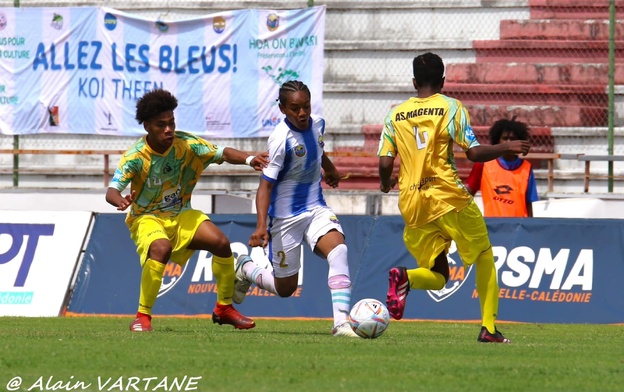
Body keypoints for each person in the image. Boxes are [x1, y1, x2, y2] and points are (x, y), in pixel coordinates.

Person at [377, 53, 531, 343]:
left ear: (413, 82)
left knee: (438, 273)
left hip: (412, 203)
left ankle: (405, 277)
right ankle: (489, 328)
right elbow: (473, 153)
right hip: (448, 196)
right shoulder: (451, 108)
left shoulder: (394, 115)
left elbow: (385, 163)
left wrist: (386, 185)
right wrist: (506, 146)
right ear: (443, 81)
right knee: (485, 255)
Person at [105, 88, 268, 332]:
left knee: (221, 243)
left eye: (171, 123)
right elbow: (111, 191)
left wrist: (249, 159)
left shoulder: (186, 145)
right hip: (147, 218)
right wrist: (120, 201)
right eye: (162, 125)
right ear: (147, 126)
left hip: (181, 215)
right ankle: (142, 316)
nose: (169, 129)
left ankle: (224, 308)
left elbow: (221, 153)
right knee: (161, 248)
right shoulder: (136, 157)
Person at [232, 80, 358, 338]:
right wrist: (260, 226)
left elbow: (318, 148)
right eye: (295, 108)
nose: (302, 113)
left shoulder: (319, 124)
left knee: (339, 250)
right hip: (285, 219)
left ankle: (341, 324)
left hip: (315, 207)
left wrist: (330, 169)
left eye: (306, 106)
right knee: (285, 288)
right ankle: (246, 269)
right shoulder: (280, 139)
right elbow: (265, 187)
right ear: (282, 109)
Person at [464, 117, 539, 217]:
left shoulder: (527, 168)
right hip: (493, 228)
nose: (508, 142)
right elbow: (467, 195)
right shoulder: (483, 165)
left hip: (518, 228)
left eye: (512, 139)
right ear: (497, 140)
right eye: (505, 138)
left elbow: (529, 204)